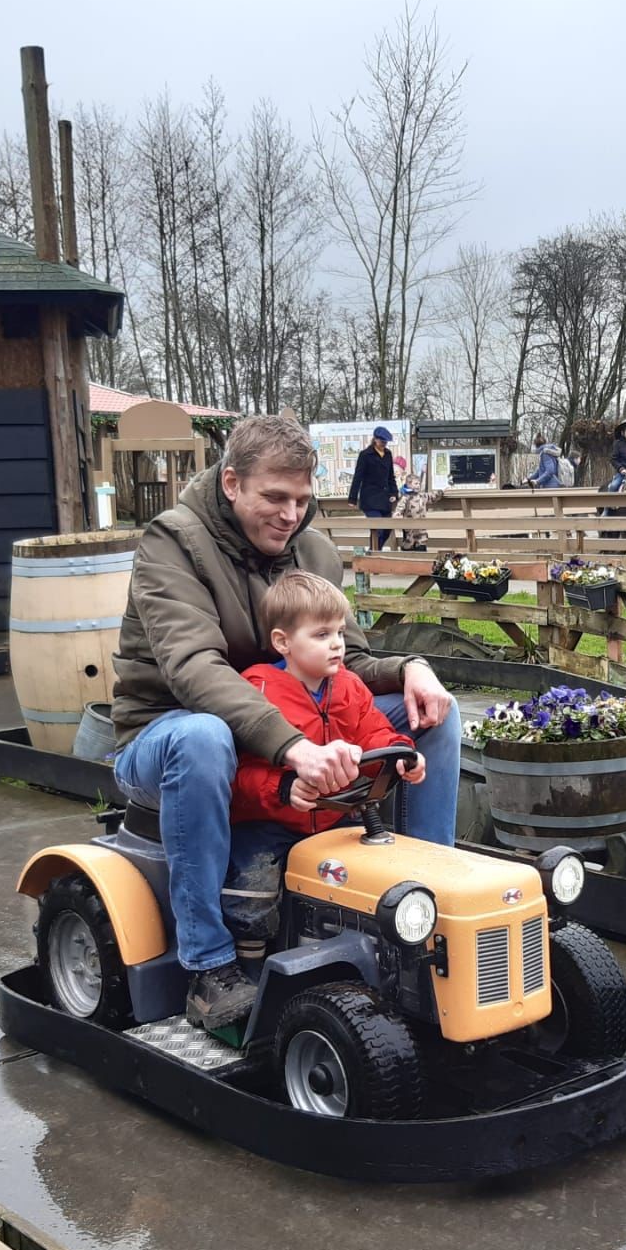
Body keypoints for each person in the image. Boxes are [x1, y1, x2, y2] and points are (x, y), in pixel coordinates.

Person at [111, 414, 460, 1034]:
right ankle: (209, 967)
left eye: (302, 500)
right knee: (203, 736)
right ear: (231, 484)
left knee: (430, 713)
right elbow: (194, 669)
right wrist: (293, 746)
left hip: (284, 726)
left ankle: (425, 909)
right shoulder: (173, 543)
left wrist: (412, 667)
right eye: (274, 498)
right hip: (167, 735)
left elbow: (342, 659)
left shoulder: (313, 548)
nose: (289, 514)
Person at [223, 573, 428, 953]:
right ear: (283, 642)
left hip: (336, 817)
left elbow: (375, 732)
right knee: (251, 894)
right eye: (321, 635)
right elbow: (236, 772)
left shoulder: (348, 685)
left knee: (383, 876)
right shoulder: (258, 690)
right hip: (272, 821)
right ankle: (248, 963)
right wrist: (283, 788)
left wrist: (403, 753)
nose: (336, 645)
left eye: (339, 633)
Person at [349, 426, 399, 550]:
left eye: (386, 442)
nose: (384, 444)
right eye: (382, 441)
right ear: (375, 439)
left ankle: (374, 551)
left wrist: (394, 493)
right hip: (370, 499)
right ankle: (374, 554)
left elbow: (390, 476)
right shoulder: (365, 455)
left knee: (387, 529)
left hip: (384, 499)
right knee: (378, 528)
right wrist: (352, 498)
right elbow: (358, 477)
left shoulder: (388, 454)